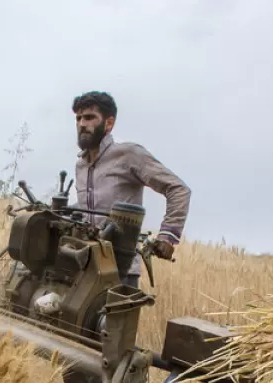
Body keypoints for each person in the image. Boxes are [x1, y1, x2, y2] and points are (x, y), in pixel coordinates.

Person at [72, 90, 191, 288]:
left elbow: (178, 189)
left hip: (122, 271)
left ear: (109, 123)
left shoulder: (128, 155)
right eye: (78, 118)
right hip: (86, 269)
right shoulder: (80, 165)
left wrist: (167, 236)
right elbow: (90, 208)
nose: (82, 124)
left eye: (90, 117)